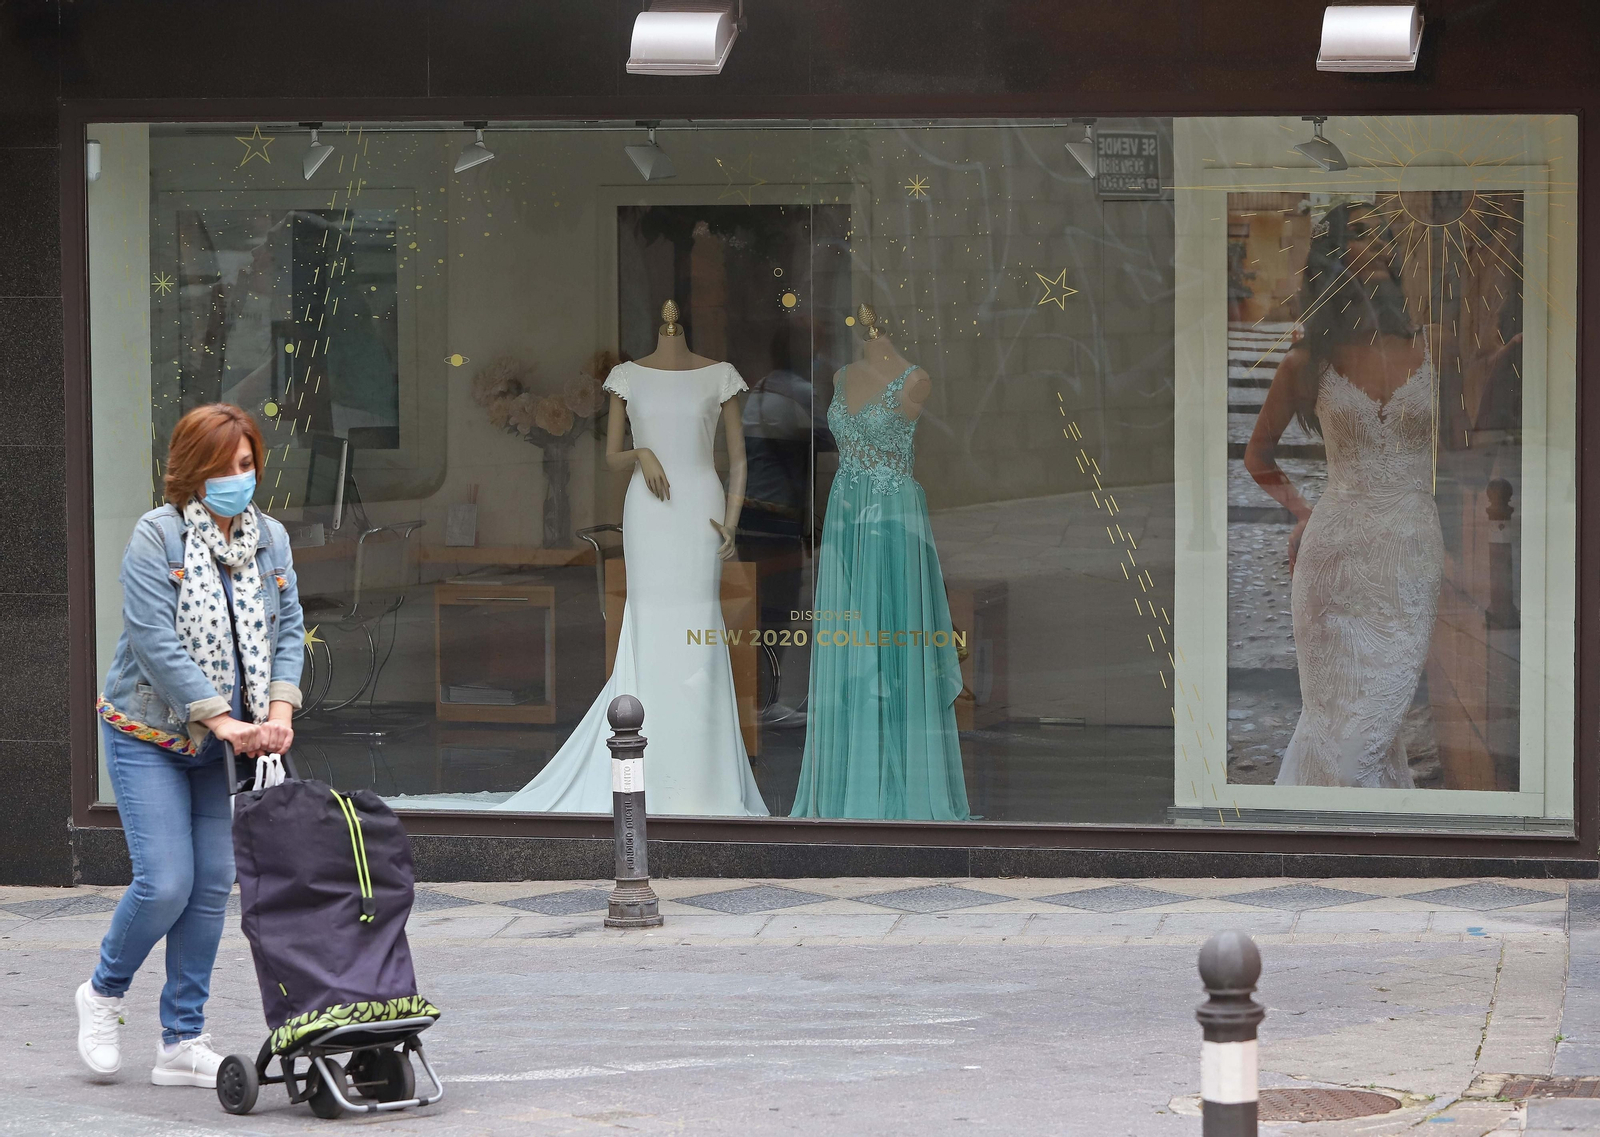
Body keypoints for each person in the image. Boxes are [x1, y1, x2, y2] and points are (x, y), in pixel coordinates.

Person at [1244, 201, 1515, 787]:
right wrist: (1306, 513)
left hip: (1409, 557)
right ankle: (1347, 846)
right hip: (1333, 560)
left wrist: (1492, 367)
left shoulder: (1434, 348)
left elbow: (1464, 449)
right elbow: (1257, 457)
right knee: (1331, 719)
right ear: (1332, 258)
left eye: (1380, 237)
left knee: (1373, 722)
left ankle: (1341, 834)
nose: (1374, 250)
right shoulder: (1305, 362)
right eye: (1358, 238)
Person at [77, 403, 304, 1085]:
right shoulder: (158, 536)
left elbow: (287, 624)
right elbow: (154, 640)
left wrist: (278, 707)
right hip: (149, 732)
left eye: (247, 463)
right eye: (224, 466)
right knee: (166, 879)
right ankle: (102, 992)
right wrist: (223, 718)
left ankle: (180, 1040)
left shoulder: (271, 539)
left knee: (211, 883)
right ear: (191, 471)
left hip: (222, 742)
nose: (240, 477)